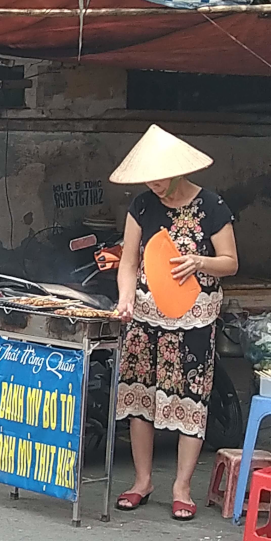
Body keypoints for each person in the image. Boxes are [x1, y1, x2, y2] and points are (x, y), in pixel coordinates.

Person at [110, 125, 238, 521]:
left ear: (178, 170)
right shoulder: (142, 207)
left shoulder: (212, 205)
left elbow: (230, 262)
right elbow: (128, 262)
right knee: (139, 397)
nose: (155, 184)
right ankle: (142, 481)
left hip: (195, 318)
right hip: (146, 317)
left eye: (160, 177)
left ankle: (181, 487)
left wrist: (200, 262)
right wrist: (126, 297)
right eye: (148, 177)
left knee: (190, 401)